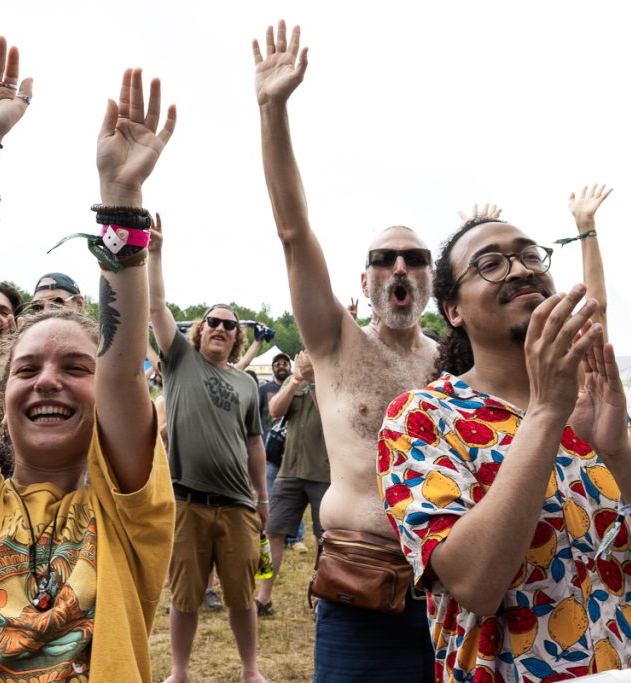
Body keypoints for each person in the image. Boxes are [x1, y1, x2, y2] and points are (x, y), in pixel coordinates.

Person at [0, 36, 174, 682]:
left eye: (76, 368)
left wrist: (121, 197)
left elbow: (122, 360)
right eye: (26, 369)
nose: (48, 380)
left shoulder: (129, 514)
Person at [378, 216, 631, 682]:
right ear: (453, 311)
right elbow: (475, 584)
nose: (520, 269)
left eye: (530, 255)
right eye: (490, 264)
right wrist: (544, 413)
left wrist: (619, 453)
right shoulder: (422, 417)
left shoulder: (600, 405)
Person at [255, 20, 439, 680]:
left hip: (447, 586)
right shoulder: (335, 343)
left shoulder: (450, 362)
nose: (399, 266)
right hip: (358, 583)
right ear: (364, 282)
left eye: (414, 258)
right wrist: (272, 109)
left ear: (431, 280)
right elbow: (293, 231)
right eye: (383, 258)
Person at [148, 222, 268, 682]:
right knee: (184, 597)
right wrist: (155, 253)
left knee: (241, 596)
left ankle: (250, 671)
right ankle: (178, 672)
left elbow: (254, 442)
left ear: (237, 338)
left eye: (229, 325)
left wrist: (262, 497)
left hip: (237, 505)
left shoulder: (247, 383)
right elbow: (156, 306)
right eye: (212, 322)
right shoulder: (180, 360)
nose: (220, 328)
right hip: (186, 501)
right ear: (199, 331)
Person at [255, 350, 329, 614]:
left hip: (325, 472)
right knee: (271, 532)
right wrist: (296, 380)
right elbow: (275, 410)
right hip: (289, 470)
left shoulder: (335, 371)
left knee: (325, 539)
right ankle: (263, 598)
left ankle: (323, 599)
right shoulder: (294, 377)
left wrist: (313, 381)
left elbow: (330, 414)